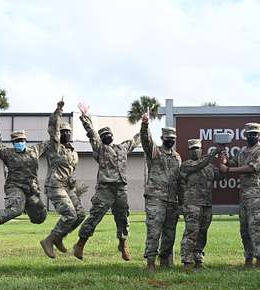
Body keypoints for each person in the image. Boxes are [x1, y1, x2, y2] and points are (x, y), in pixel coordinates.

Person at [72, 102, 140, 261]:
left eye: (108, 134)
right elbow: (91, 133)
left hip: (121, 190)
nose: (106, 136)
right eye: (103, 136)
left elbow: (136, 140)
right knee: (95, 217)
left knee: (123, 218)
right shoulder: (99, 148)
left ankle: (123, 245)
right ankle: (80, 243)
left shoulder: (122, 148)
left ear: (113, 136)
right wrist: (85, 116)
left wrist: (145, 124)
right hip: (105, 189)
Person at [0, 129, 49, 251]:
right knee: (16, 209)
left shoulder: (34, 150)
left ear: (25, 140)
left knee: (40, 217)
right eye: (17, 141)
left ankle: (28, 207)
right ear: (13, 143)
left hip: (32, 190)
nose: (20, 142)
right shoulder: (8, 153)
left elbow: (51, 141)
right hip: (15, 187)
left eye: (22, 140)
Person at [39, 99, 86, 259]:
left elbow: (70, 170)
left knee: (80, 215)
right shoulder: (54, 146)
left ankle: (59, 237)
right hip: (55, 185)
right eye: (63, 131)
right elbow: (53, 126)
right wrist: (59, 110)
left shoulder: (73, 151)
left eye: (68, 131)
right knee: (70, 215)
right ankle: (49, 240)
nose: (66, 133)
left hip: (68, 187)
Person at [219, 123, 260, 269]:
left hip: (257, 194)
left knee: (255, 227)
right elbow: (231, 162)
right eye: (249, 134)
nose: (252, 136)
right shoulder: (243, 152)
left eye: (255, 134)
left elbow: (251, 168)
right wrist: (223, 157)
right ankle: (248, 258)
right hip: (244, 195)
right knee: (244, 229)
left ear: (259, 135)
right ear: (245, 135)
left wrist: (228, 169)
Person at [140, 112, 182, 271]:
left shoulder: (177, 157)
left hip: (172, 201)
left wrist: (181, 201)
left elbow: (179, 180)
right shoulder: (154, 152)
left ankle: (164, 261)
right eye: (168, 138)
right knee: (154, 231)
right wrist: (145, 125)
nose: (170, 140)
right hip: (155, 199)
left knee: (169, 234)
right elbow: (146, 140)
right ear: (162, 138)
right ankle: (150, 261)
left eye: (173, 138)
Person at [179, 139, 219, 271]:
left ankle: (198, 260)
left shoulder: (210, 167)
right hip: (192, 204)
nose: (195, 151)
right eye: (192, 149)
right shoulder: (186, 165)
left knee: (203, 233)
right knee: (191, 232)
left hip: (206, 205)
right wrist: (212, 154)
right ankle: (187, 262)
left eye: (197, 148)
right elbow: (198, 166)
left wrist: (224, 159)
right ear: (189, 151)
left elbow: (221, 174)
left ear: (202, 150)